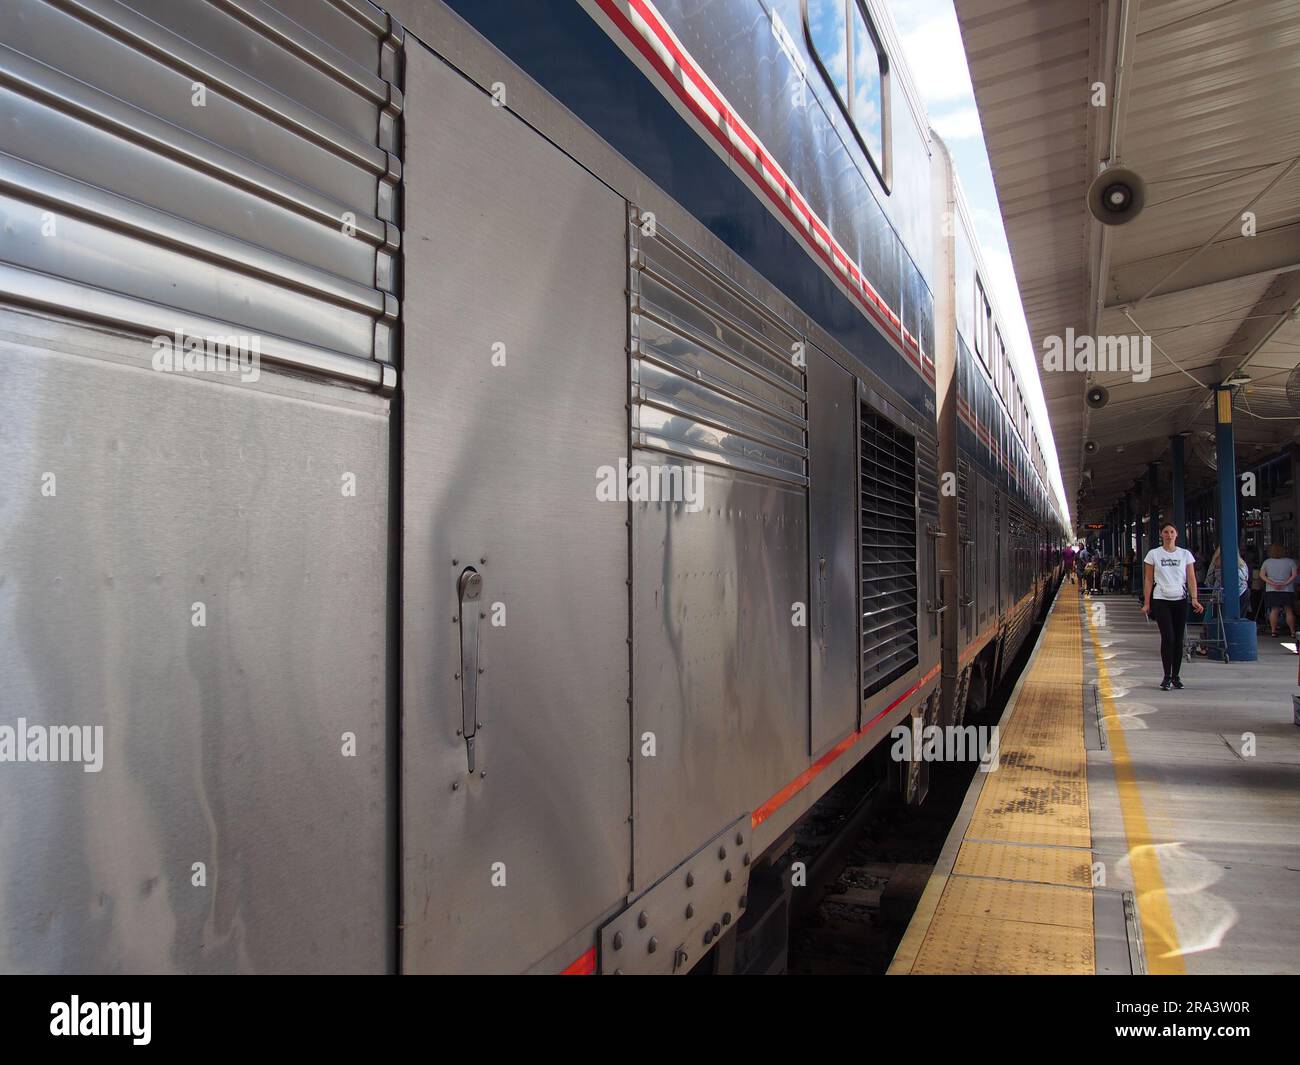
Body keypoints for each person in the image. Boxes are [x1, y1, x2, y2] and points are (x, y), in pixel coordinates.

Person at [1143, 523, 1203, 690]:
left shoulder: (1185, 554)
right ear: (1161, 535)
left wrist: (1195, 599)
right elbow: (1148, 579)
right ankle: (1166, 676)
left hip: (1180, 599)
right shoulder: (1153, 554)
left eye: (1172, 532)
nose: (1169, 535)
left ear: (1177, 535)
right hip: (1160, 599)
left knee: (1178, 639)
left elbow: (1191, 578)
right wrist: (1147, 603)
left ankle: (1176, 676)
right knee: (1168, 637)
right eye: (1166, 532)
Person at [1258, 543, 1297, 637]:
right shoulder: (1290, 562)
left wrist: (1271, 583)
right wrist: (1285, 583)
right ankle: (1292, 632)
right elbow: (1294, 575)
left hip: (1272, 589)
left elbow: (1261, 575)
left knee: (1274, 610)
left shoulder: (1267, 562)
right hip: (1287, 590)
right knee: (1289, 610)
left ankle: (1273, 631)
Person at [1206, 546, 1250, 616]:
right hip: (1242, 592)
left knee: (1219, 618)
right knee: (1239, 617)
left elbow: (1209, 580)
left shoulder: (1215, 563)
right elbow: (1246, 577)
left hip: (1220, 594)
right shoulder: (1242, 563)